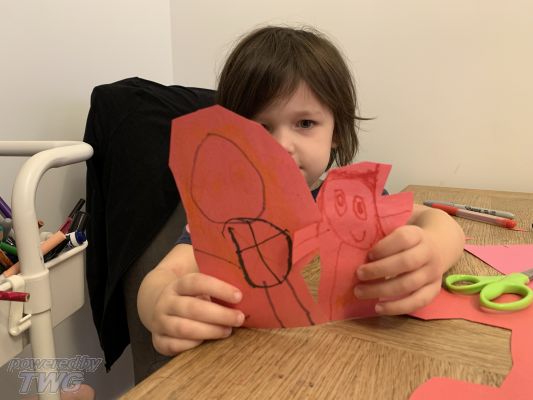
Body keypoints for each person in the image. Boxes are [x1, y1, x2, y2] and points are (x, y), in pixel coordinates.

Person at [137, 25, 465, 356]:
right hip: (248, 361)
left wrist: (433, 253)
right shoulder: (226, 215)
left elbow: (438, 221)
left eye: (305, 124)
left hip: (355, 352)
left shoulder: (350, 200)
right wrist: (159, 308)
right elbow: (164, 275)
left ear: (337, 131)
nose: (281, 146)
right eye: (260, 127)